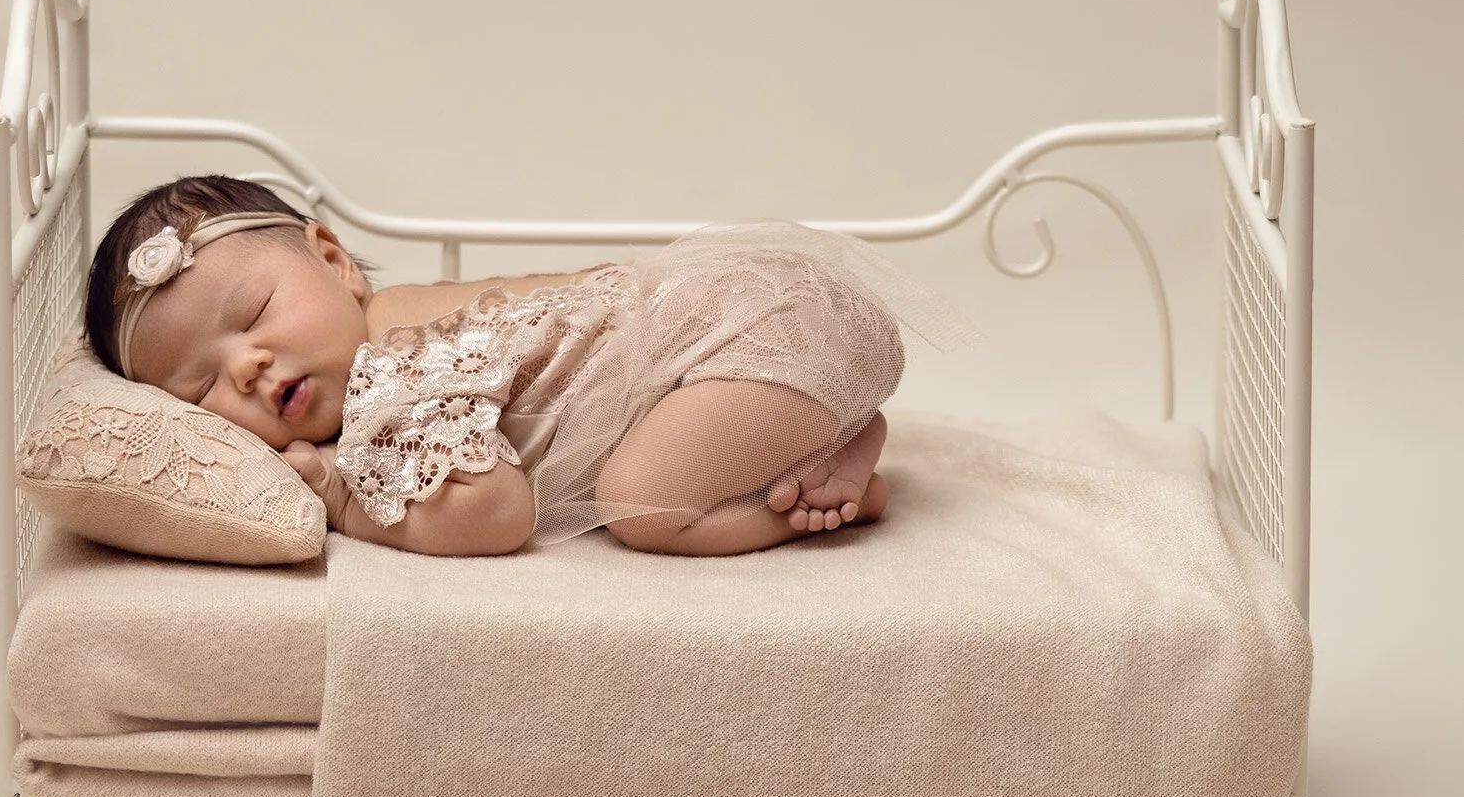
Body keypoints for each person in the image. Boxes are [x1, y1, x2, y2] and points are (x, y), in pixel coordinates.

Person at [85, 175, 964, 557]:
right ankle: (816, 434)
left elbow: (494, 512)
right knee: (654, 471)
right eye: (200, 388)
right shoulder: (406, 314)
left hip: (763, 334)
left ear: (334, 259)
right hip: (769, 328)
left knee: (643, 506)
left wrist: (345, 502)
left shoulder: (393, 371)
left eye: (252, 315)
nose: (245, 368)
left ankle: (822, 491)